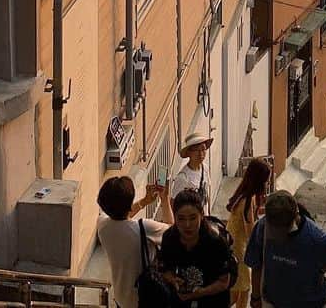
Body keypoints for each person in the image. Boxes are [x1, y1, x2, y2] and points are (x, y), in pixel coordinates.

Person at [245, 189, 326, 308]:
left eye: (281, 231)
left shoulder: (316, 238)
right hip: (274, 302)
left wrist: (322, 268)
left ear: (295, 218)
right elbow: (255, 264)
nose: (276, 235)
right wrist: (255, 297)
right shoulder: (263, 227)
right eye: (273, 229)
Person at [96, 175, 174, 308]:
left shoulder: (102, 226)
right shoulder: (144, 228)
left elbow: (120, 215)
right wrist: (164, 198)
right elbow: (172, 231)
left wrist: (144, 201)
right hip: (146, 297)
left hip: (121, 297)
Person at [158, 189, 237, 307]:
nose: (187, 225)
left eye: (193, 218)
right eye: (181, 219)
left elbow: (223, 281)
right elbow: (164, 270)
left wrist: (198, 293)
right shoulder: (169, 238)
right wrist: (173, 280)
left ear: (201, 216)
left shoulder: (216, 242)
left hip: (213, 302)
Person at [225, 159, 272, 307]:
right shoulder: (247, 201)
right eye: (266, 181)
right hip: (239, 252)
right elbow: (251, 232)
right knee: (244, 290)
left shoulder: (243, 195)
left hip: (233, 249)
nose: (267, 184)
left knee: (235, 292)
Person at [171, 131, 214, 209]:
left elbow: (207, 194)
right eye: (197, 150)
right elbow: (174, 202)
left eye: (203, 149)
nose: (201, 154)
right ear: (189, 153)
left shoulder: (205, 168)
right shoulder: (183, 177)